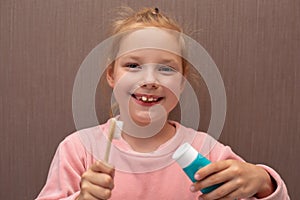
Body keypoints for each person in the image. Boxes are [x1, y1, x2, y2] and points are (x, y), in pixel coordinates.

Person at [36, 7, 289, 200]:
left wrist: (264, 182)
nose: (149, 80)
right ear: (111, 75)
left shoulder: (207, 150)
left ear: (182, 82)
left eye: (166, 68)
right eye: (133, 65)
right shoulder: (79, 150)